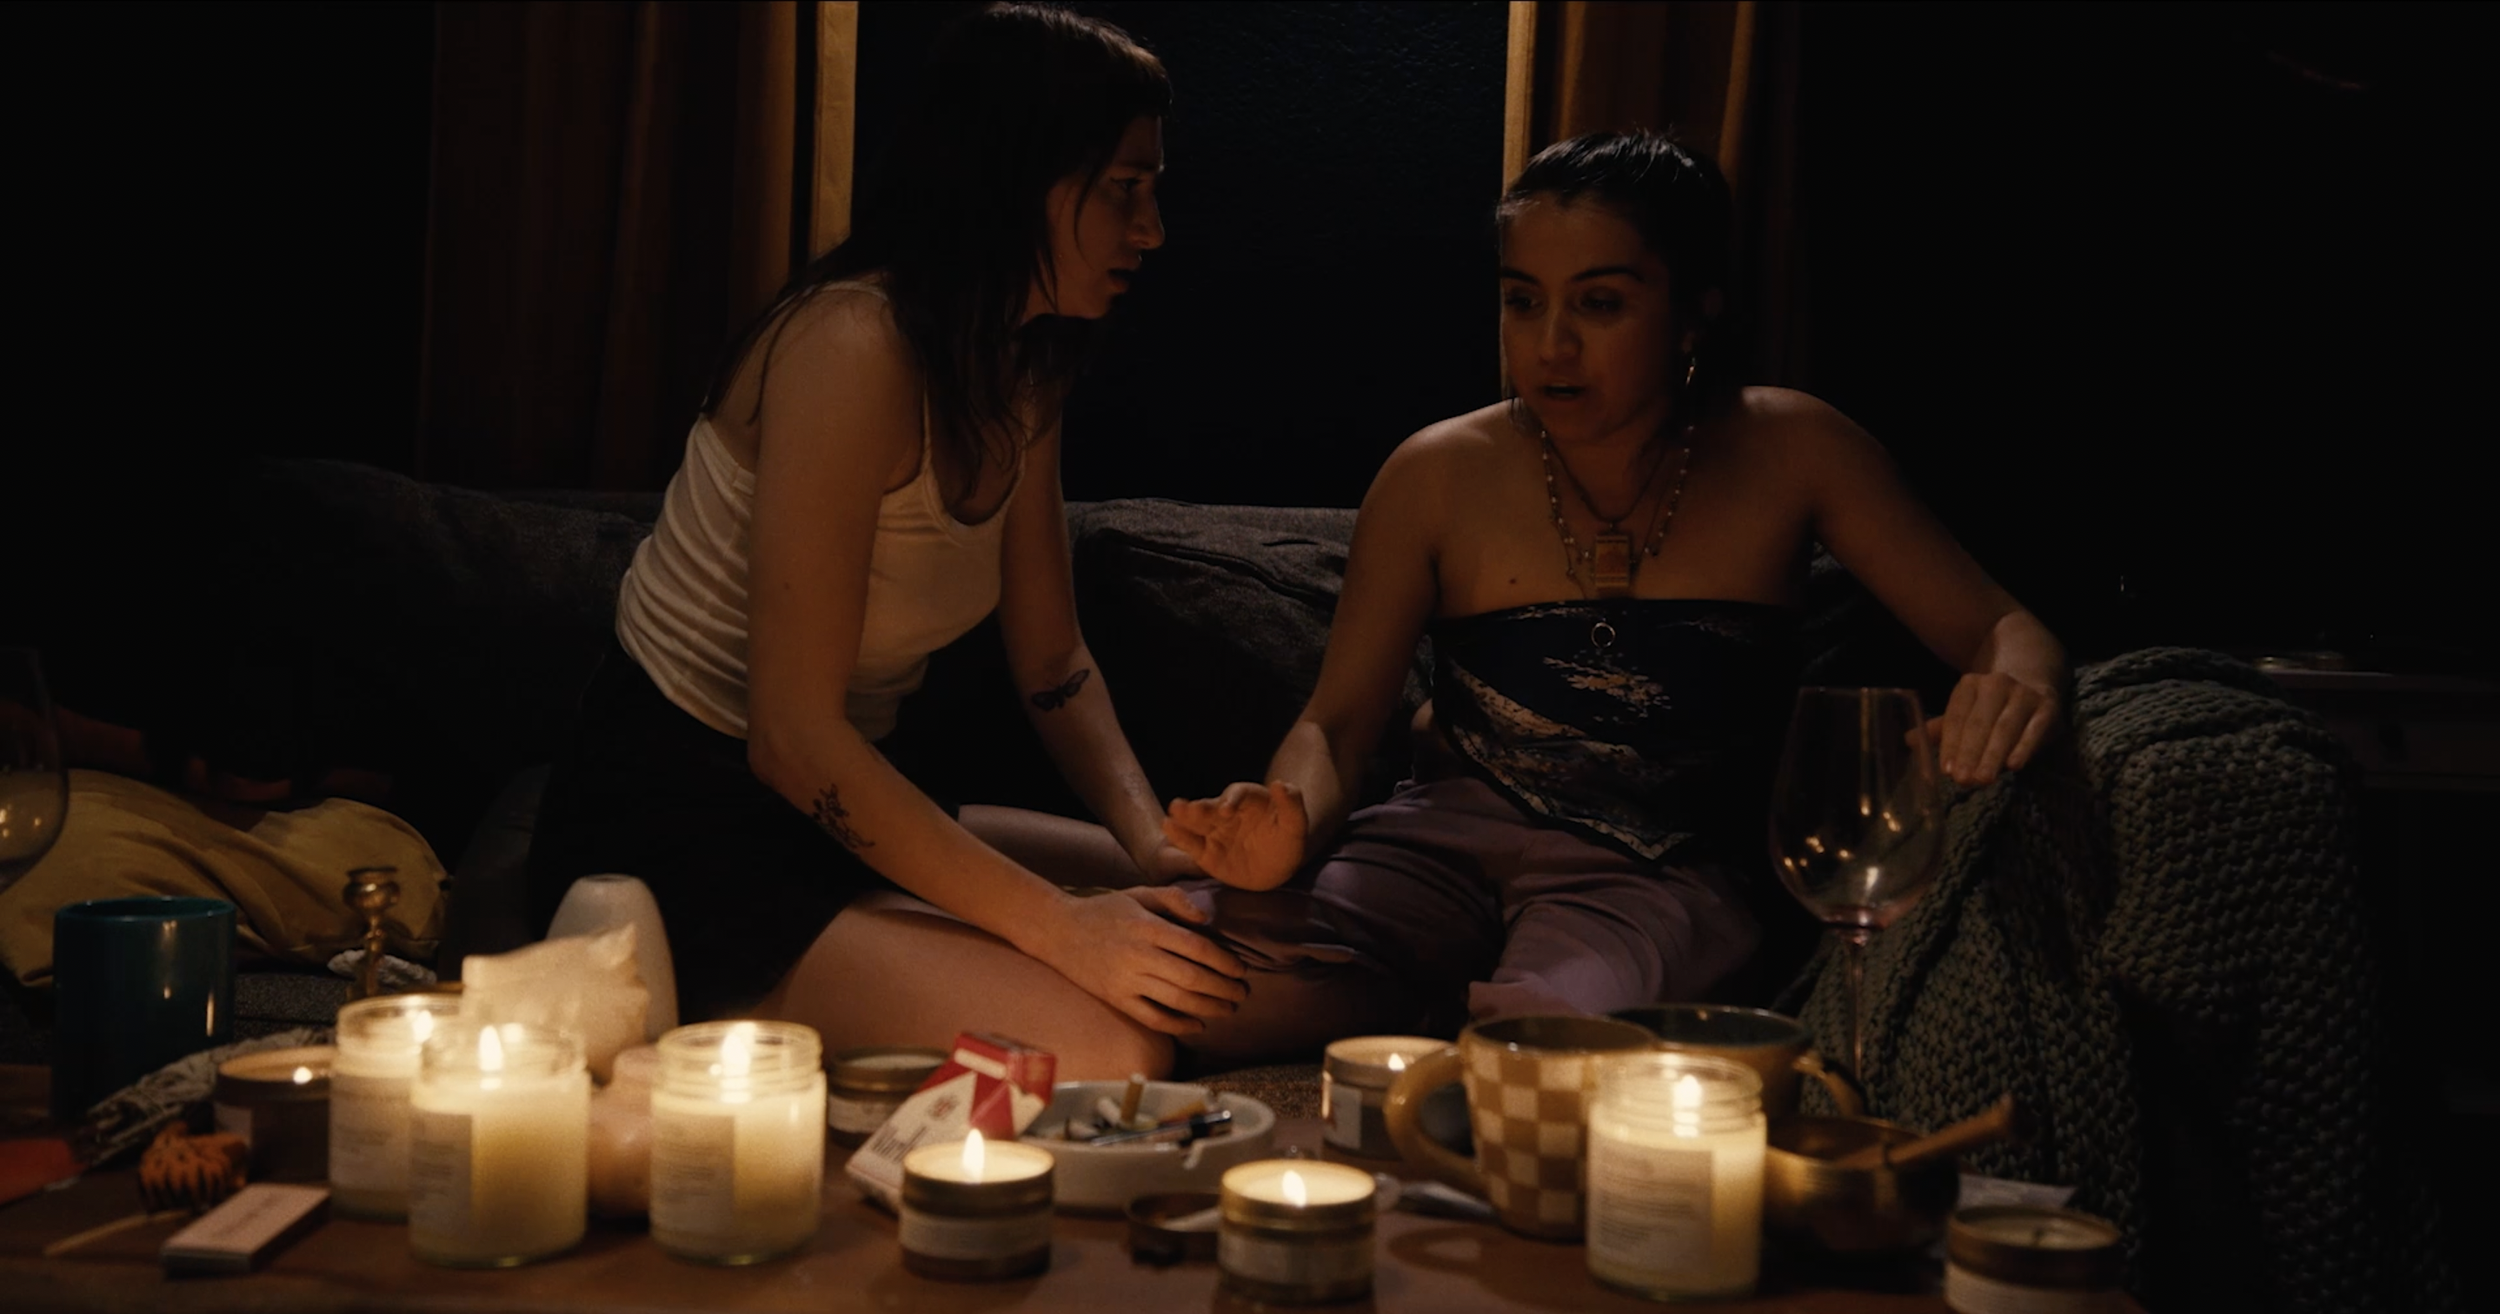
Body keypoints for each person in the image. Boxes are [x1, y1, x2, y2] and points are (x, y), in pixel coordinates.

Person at [1161, 130, 2068, 1066]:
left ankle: (1448, 1031)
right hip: (1435, 848)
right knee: (1167, 971)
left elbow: (2006, 629)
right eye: (1523, 301)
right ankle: (1405, 1004)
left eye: (1599, 303)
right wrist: (1288, 818)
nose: (1552, 344)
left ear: (1693, 313)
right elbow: (1338, 726)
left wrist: (2014, 689)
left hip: (1658, 870)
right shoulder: (1436, 473)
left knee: (1543, 1059)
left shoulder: (1796, 449)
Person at [527, 4, 1246, 1080]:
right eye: (1123, 189)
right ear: (1021, 177)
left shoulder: (1024, 362)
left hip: (840, 806)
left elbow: (1052, 660)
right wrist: (1062, 929)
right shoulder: (852, 343)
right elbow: (791, 739)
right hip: (683, 821)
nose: (1151, 230)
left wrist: (1148, 842)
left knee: (1224, 933)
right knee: (1116, 1044)